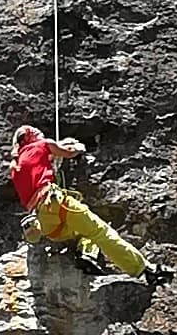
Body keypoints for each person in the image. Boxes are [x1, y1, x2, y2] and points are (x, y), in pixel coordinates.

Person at [8, 125, 155, 291]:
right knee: (100, 231)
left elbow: (42, 160)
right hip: (54, 201)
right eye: (36, 132)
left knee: (84, 232)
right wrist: (77, 147)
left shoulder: (16, 166)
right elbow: (68, 152)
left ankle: (86, 254)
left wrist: (60, 147)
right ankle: (143, 269)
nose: (41, 132)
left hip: (46, 222)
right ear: (29, 137)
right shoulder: (42, 145)